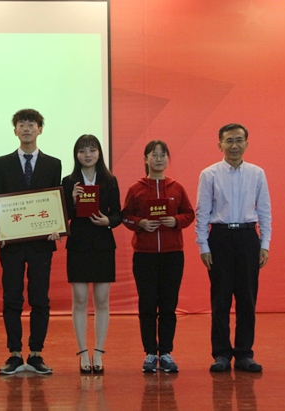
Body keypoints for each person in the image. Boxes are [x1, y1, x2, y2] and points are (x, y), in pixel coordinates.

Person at [195, 124, 271, 373]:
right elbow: (202, 213)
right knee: (221, 299)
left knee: (247, 299)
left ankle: (245, 354)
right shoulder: (209, 174)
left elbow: (265, 211)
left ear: (247, 144)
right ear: (220, 145)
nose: (234, 145)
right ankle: (221, 354)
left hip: (248, 238)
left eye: (239, 140)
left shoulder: (257, 173)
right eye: (229, 141)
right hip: (220, 238)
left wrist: (265, 243)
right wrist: (203, 245)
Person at [0, 108, 62, 375]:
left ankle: (35, 353)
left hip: (41, 244)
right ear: (15, 131)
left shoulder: (53, 164)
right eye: (21, 124)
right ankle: (14, 353)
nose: (26, 128)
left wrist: (57, 227)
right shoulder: (1, 164)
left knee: (39, 299)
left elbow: (54, 202)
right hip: (11, 244)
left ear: (39, 129)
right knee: (11, 297)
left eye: (31, 124)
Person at [122, 140, 195, 373]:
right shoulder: (136, 188)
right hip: (144, 256)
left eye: (163, 155)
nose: (159, 159)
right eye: (154, 155)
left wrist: (176, 221)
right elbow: (125, 216)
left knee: (168, 305)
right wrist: (140, 223)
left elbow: (189, 214)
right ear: (146, 159)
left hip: (173, 255)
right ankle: (149, 353)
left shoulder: (176, 188)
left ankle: (166, 353)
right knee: (147, 305)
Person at [61, 134, 122, 374]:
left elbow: (118, 214)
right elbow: (63, 215)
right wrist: (72, 201)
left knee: (102, 301)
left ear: (99, 153)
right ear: (76, 154)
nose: (87, 155)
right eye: (82, 150)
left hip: (103, 245)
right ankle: (83, 352)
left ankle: (98, 352)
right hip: (78, 245)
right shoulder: (69, 181)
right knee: (79, 299)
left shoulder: (110, 180)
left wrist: (108, 221)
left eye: (92, 150)